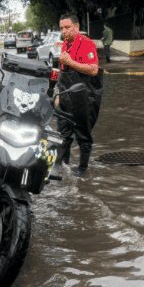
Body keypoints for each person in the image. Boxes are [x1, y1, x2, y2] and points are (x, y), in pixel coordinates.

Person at [54, 13, 103, 176]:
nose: (64, 31)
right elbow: (62, 73)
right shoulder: (64, 45)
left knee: (83, 134)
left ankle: (82, 170)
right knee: (63, 134)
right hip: (66, 96)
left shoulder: (87, 44)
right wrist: (59, 94)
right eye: (62, 28)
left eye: (67, 27)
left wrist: (71, 62)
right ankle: (61, 168)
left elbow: (93, 69)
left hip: (84, 97)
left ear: (76, 27)